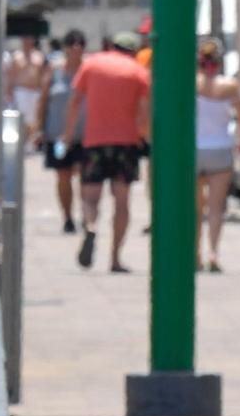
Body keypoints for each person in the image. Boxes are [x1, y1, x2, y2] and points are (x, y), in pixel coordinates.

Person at [64, 30, 152, 273]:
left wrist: (68, 134)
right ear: (133, 51)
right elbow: (144, 112)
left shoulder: (92, 65)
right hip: (125, 143)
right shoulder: (138, 72)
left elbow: (75, 102)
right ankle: (115, 258)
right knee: (121, 201)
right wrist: (143, 136)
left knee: (90, 197)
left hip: (95, 141)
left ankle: (91, 226)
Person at [194, 38, 240, 273]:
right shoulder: (230, 86)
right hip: (221, 149)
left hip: (194, 149)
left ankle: (194, 253)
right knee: (216, 207)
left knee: (194, 207)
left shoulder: (191, 84)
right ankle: (213, 253)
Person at [33, 31, 88, 234]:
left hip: (85, 134)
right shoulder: (54, 72)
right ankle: (67, 217)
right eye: (71, 44)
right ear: (65, 48)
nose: (76, 48)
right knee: (63, 176)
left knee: (86, 177)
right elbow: (43, 101)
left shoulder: (89, 71)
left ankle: (86, 215)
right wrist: (39, 128)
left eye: (80, 43)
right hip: (57, 134)